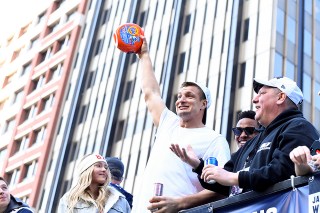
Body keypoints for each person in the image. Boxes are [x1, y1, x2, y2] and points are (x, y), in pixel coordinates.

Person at [171, 76, 320, 197]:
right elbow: (224, 181)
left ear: (281, 97)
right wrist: (198, 165)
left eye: (261, 94)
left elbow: (282, 172)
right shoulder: (254, 141)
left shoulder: (298, 127)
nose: (254, 100)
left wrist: (234, 178)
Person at [133, 37, 231, 212]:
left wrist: (180, 203)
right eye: (179, 96)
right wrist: (144, 55)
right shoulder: (168, 124)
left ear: (204, 104)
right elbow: (151, 93)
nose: (181, 100)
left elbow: (223, 189)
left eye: (189, 96)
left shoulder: (214, 140)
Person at [146, 110, 260, 212]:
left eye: (249, 130)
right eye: (238, 131)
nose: (243, 135)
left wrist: (180, 203)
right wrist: (197, 164)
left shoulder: (263, 154)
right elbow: (220, 186)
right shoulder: (235, 159)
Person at [58, 154, 130, 213]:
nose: (104, 169)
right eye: (98, 166)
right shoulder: (69, 199)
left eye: (106, 167)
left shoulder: (121, 201)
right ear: (87, 170)